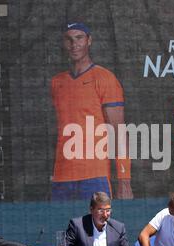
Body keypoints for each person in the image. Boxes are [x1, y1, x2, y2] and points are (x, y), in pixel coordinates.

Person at [50, 22, 133, 201]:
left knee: (97, 229)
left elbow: (119, 131)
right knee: (60, 229)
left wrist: (124, 181)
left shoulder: (105, 78)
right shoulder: (57, 82)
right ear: (64, 43)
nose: (74, 44)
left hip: (95, 175)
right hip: (61, 176)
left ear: (89, 40)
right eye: (69, 39)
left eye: (79, 38)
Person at [65, 192, 131, 246]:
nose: (105, 215)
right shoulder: (77, 226)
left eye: (108, 210)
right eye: (101, 211)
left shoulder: (118, 228)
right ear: (91, 210)